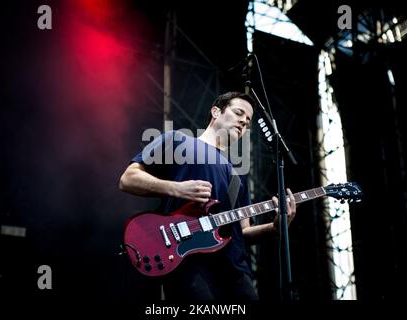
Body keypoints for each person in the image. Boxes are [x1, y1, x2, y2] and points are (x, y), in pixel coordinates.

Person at [119, 91, 297, 301]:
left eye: (248, 122)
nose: (243, 122)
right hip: (187, 261)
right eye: (239, 112)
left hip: (234, 270)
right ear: (215, 111)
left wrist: (274, 228)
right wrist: (177, 188)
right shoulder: (178, 141)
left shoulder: (236, 178)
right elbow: (128, 179)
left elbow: (243, 232)